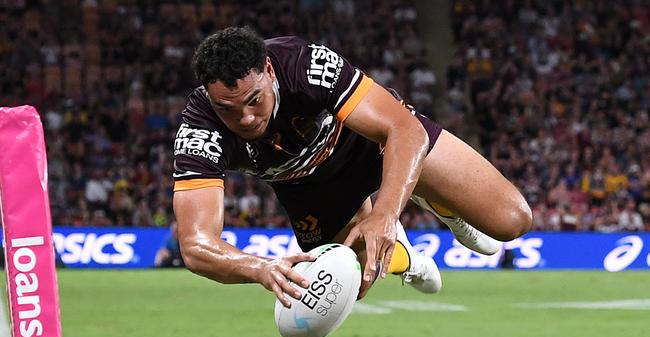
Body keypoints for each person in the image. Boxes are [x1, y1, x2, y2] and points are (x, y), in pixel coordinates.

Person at [172, 27, 532, 307]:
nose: (246, 118)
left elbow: (404, 130)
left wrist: (387, 214)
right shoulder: (199, 130)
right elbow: (196, 244)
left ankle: (430, 195)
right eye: (227, 109)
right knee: (350, 286)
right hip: (309, 187)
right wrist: (260, 268)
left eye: (254, 100)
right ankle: (407, 259)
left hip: (367, 142)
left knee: (511, 221)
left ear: (268, 70)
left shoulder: (305, 64)